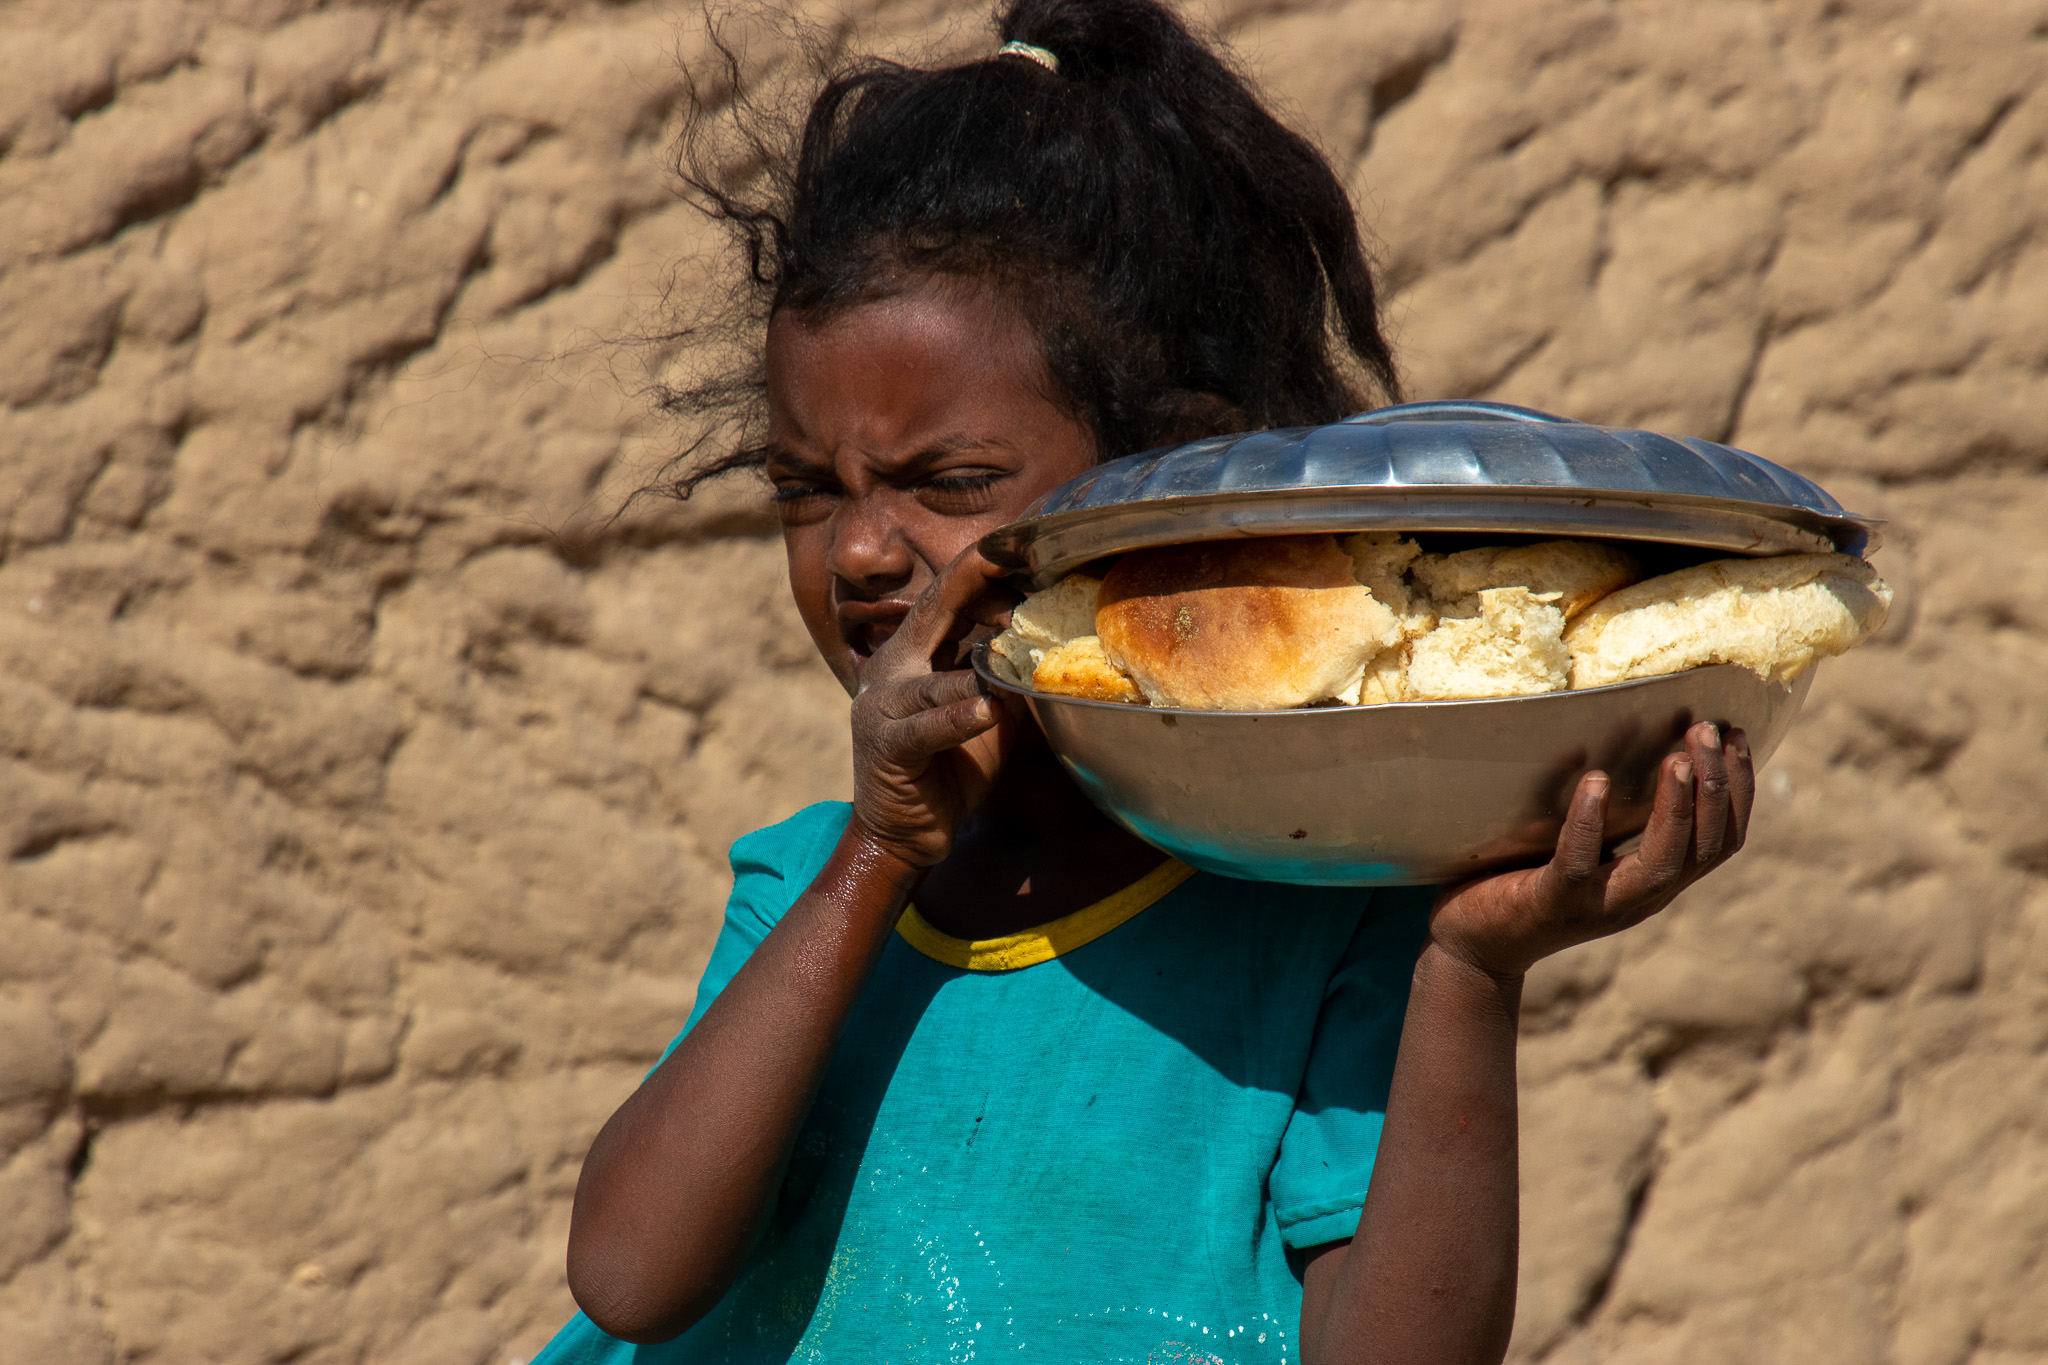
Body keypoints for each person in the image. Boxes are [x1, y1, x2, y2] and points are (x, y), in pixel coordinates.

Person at [535, 0, 1755, 1360]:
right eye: (806, 489)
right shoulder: (816, 885)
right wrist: (878, 852)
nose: (863, 548)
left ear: (1167, 485)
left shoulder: (1325, 912)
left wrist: (1472, 969)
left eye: (950, 482)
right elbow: (630, 1279)